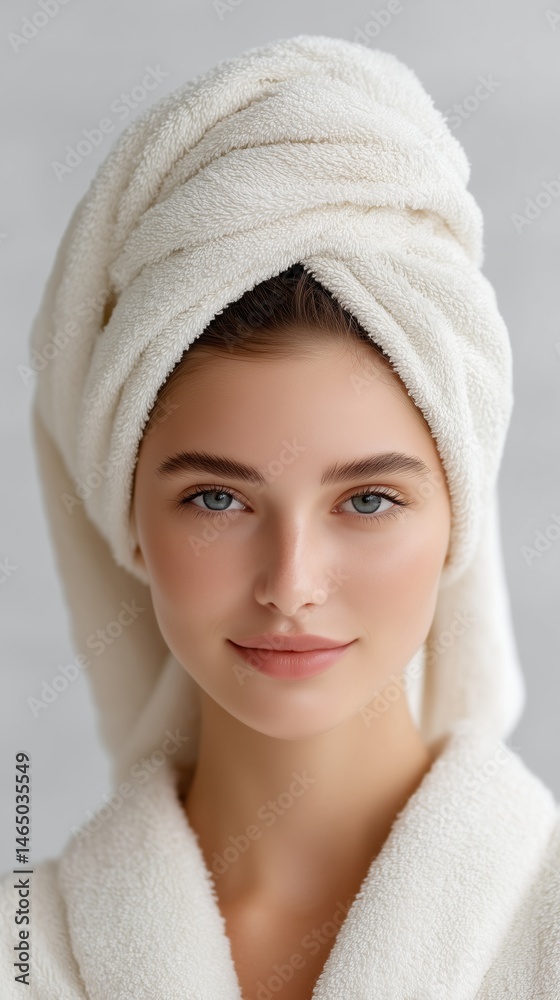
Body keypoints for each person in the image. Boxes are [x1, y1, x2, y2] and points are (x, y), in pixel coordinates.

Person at [1, 33, 559, 1000]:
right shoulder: (25, 953)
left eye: (370, 499)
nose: (291, 582)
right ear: (128, 520)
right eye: (216, 498)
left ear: (457, 517)